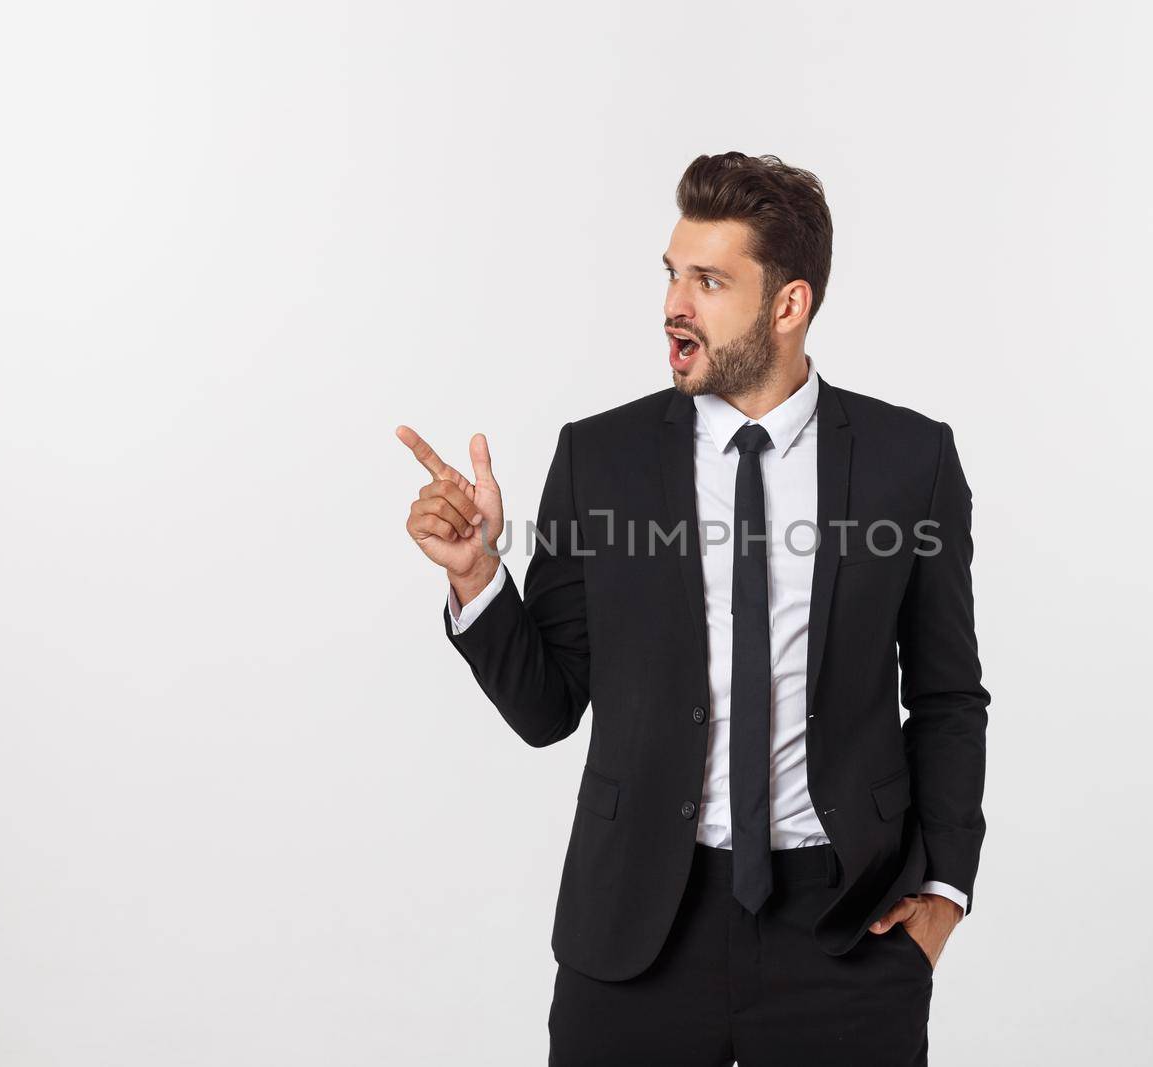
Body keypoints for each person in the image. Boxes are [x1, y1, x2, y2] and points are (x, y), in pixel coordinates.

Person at [396, 151, 991, 1066]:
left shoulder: (911, 460)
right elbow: (549, 707)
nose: (676, 303)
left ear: (787, 305)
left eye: (709, 280)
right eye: (672, 274)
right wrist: (478, 577)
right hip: (636, 931)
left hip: (845, 931)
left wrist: (943, 894)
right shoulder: (601, 458)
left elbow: (948, 696)